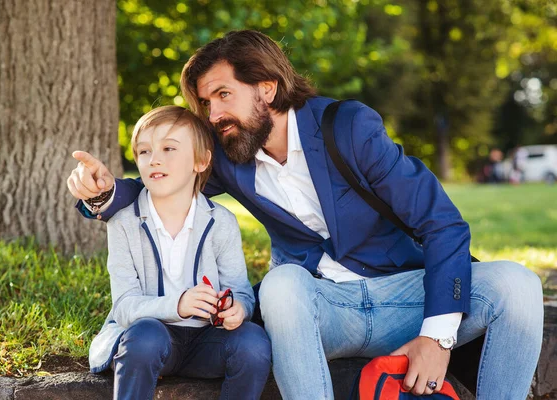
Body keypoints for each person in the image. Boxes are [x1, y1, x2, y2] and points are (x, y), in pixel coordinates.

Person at [68, 31, 543, 400]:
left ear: (268, 89)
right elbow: (166, 181)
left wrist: (438, 339)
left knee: (518, 286)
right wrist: (105, 195)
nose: (211, 115)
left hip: (400, 296)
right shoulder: (230, 155)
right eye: (205, 103)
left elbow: (443, 223)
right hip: (319, 310)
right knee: (280, 284)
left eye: (222, 95)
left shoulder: (349, 128)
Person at [85, 105, 271, 400]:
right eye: (144, 152)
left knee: (254, 343)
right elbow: (124, 307)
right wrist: (179, 305)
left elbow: (241, 292)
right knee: (146, 337)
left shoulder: (221, 222)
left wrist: (239, 310)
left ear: (200, 161)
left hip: (206, 343)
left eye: (169, 148)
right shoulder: (123, 223)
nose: (154, 159)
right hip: (152, 338)